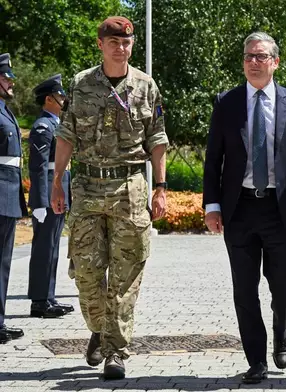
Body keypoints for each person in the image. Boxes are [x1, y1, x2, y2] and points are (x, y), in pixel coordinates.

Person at [51, 16, 168, 379]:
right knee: (86, 274)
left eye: (127, 43)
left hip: (129, 189)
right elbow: (67, 136)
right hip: (86, 189)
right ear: (100, 44)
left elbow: (158, 140)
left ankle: (115, 350)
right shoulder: (81, 84)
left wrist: (161, 189)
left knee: (125, 277)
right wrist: (57, 182)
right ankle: (99, 329)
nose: (121, 48)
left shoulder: (146, 86)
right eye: (114, 42)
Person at [202, 32, 286, 384]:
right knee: (244, 286)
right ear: (243, 62)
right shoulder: (227, 103)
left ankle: (282, 330)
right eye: (249, 56)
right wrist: (212, 205)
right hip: (239, 209)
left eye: (262, 56)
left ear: (275, 62)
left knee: (284, 282)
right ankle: (256, 360)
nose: (254, 62)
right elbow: (213, 161)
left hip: (280, 208)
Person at [27, 74, 74, 319]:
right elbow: (38, 167)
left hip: (60, 193)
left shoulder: (56, 124)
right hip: (48, 195)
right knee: (44, 247)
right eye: (60, 95)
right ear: (48, 99)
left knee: (53, 246)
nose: (64, 98)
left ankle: (48, 296)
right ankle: (39, 301)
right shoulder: (43, 127)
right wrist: (40, 202)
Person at [0, 53, 27, 344]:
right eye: (6, 77)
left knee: (3, 262)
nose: (10, 82)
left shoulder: (4, 109)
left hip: (7, 194)